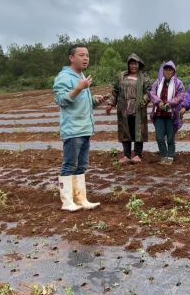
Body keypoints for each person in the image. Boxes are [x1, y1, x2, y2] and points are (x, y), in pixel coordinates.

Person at [53, 45, 104, 212]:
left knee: (81, 165)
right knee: (69, 164)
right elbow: (61, 100)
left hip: (85, 128)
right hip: (73, 129)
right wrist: (78, 88)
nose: (86, 58)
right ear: (71, 58)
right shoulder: (64, 77)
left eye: (87, 55)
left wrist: (94, 100)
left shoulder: (81, 76)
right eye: (81, 55)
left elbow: (82, 103)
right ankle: (67, 202)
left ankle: (81, 199)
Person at [106, 54, 151, 164]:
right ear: (128, 65)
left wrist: (144, 100)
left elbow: (149, 91)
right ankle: (126, 155)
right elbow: (115, 91)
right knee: (125, 132)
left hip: (138, 109)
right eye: (131, 63)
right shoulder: (122, 76)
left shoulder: (144, 77)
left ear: (138, 64)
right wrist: (111, 103)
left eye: (135, 63)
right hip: (124, 109)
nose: (133, 66)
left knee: (138, 132)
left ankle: (137, 155)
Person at [149, 61, 186, 164]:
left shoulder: (178, 83)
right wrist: (159, 102)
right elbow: (152, 93)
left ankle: (170, 156)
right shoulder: (157, 82)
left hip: (171, 115)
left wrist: (170, 103)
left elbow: (181, 95)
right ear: (163, 71)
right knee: (159, 137)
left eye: (170, 70)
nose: (167, 72)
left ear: (173, 72)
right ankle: (164, 155)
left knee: (170, 137)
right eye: (166, 69)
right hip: (159, 114)